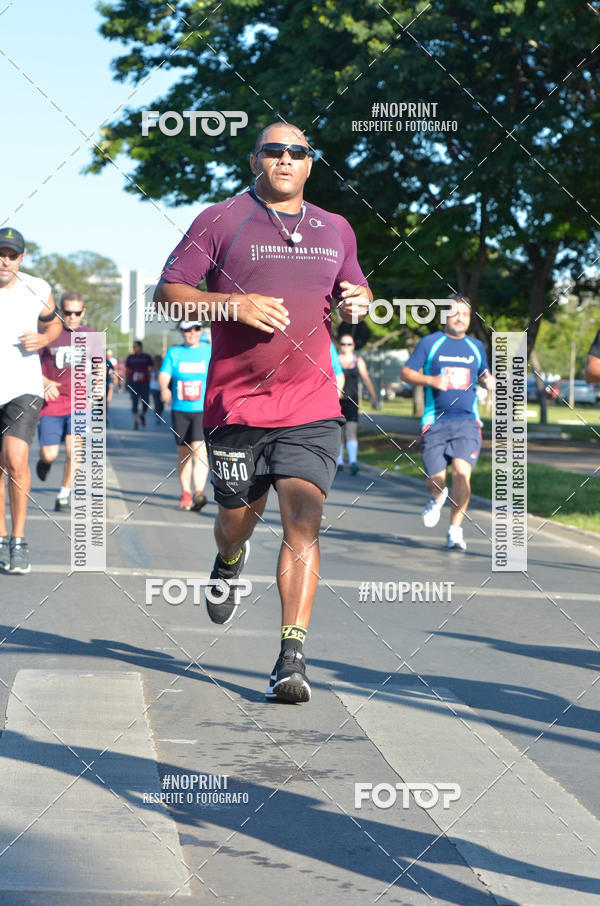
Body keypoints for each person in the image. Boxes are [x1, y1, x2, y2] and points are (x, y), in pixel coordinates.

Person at [154, 121, 372, 703]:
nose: (284, 158)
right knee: (236, 522)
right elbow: (167, 291)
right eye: (273, 150)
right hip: (237, 406)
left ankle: (291, 656)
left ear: (309, 163)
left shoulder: (336, 228)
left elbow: (355, 290)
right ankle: (228, 560)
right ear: (256, 159)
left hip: (312, 404)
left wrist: (362, 299)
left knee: (304, 518)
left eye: (296, 151)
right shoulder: (221, 219)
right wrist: (233, 303)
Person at [401, 295, 494, 552]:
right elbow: (406, 373)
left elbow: (484, 372)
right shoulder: (431, 343)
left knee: (462, 474)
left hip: (467, 422)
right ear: (445, 316)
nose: (460, 317)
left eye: (465, 313)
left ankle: (455, 530)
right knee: (436, 480)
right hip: (436, 422)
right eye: (455, 313)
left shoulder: (475, 346)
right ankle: (436, 497)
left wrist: (490, 381)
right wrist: (431, 381)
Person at [0, 227, 62, 573]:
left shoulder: (36, 288)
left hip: (22, 386)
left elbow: (53, 326)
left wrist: (43, 339)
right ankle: (1, 536)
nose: (4, 260)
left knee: (16, 457)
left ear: (21, 258)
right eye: (1, 253)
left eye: (11, 255)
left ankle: (18, 540)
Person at [36, 292, 95, 512]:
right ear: (59, 311)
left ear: (83, 312)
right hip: (52, 403)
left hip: (79, 403)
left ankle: (63, 494)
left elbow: (98, 365)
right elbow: (30, 364)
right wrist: (43, 381)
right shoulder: (48, 334)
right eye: (67, 312)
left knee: (74, 452)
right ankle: (44, 463)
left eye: (76, 313)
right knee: (49, 453)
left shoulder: (90, 335)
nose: (72, 317)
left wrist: (97, 384)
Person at [159, 322, 212, 510]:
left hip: (202, 410)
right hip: (180, 409)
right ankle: (186, 492)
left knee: (199, 450)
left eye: (196, 329)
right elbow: (164, 374)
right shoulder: (175, 353)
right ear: (182, 332)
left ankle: (199, 492)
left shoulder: (209, 350)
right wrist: (164, 388)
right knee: (184, 453)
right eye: (188, 330)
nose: (192, 333)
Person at [336, 333, 378, 474]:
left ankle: (353, 461)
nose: (346, 347)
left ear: (353, 346)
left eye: (349, 344)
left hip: (352, 400)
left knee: (351, 431)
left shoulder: (357, 360)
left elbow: (366, 378)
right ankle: (340, 462)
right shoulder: (334, 360)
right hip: (337, 401)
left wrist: (374, 397)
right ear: (339, 345)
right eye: (343, 344)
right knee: (339, 433)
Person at [125, 340, 153, 429]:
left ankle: (142, 415)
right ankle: (136, 421)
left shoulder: (146, 357)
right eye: (133, 347)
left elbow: (151, 368)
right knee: (134, 402)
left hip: (144, 383)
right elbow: (127, 370)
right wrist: (126, 381)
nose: (134, 348)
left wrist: (150, 379)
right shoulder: (131, 357)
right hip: (133, 383)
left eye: (136, 346)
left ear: (140, 347)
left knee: (146, 403)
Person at [149, 355, 164, 423]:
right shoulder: (151, 369)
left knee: (161, 404)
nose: (157, 362)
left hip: (161, 388)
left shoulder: (163, 369)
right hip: (154, 388)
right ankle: (158, 416)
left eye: (159, 360)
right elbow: (148, 377)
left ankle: (159, 414)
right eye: (156, 360)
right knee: (157, 402)